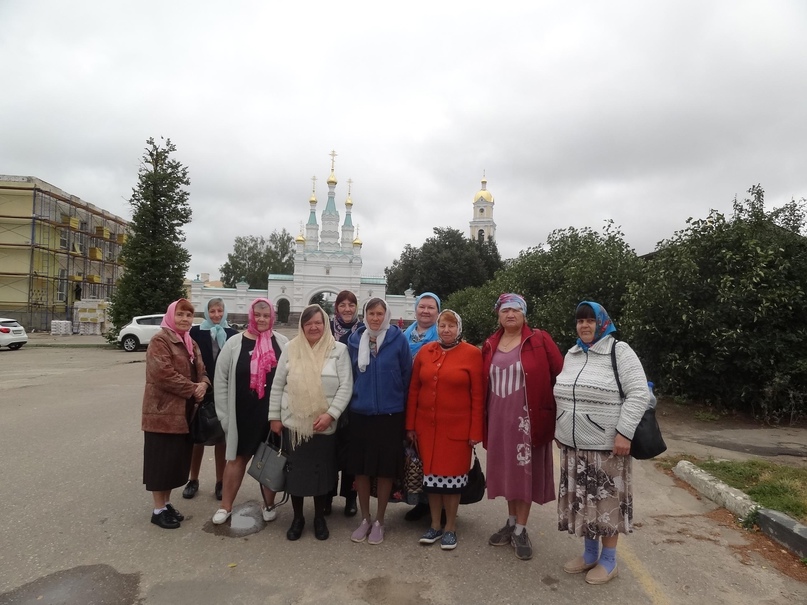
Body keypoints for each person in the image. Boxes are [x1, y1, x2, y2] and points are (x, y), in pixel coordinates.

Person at [553, 301, 648, 585]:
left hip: (606, 446)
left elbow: (639, 394)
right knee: (583, 503)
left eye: (590, 320)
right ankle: (589, 554)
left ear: (602, 323)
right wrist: (560, 430)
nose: (584, 325)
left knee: (606, 505)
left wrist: (625, 432)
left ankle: (609, 561)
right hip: (574, 446)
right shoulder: (571, 354)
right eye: (580, 320)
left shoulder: (619, 351)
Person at [482, 293, 563, 560]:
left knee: (524, 472)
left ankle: (521, 529)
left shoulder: (539, 340)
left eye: (516, 310)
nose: (510, 314)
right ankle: (510, 520)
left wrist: (557, 415)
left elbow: (560, 375)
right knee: (507, 471)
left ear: (524, 314)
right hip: (498, 419)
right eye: (505, 310)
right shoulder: (490, 344)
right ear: (498, 314)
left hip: (528, 421)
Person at [269, 304, 353, 541]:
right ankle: (298, 518)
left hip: (323, 425)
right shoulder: (290, 348)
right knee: (295, 475)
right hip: (294, 425)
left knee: (319, 475)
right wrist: (274, 416)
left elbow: (346, 386)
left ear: (325, 324)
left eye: (318, 322)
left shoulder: (339, 350)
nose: (314, 327)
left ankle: (318, 518)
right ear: (302, 326)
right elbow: (278, 384)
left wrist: (331, 414)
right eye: (309, 323)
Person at [405, 310, 484, 550]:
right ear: (437, 328)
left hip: (457, 431)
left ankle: (450, 526)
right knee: (431, 479)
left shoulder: (472, 354)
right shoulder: (425, 353)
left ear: (458, 328)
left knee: (452, 481)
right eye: (442, 325)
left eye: (451, 325)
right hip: (426, 430)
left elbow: (478, 396)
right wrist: (410, 425)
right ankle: (435, 524)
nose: (446, 330)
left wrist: (475, 432)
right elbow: (414, 390)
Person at [212, 298, 289, 525]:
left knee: (270, 461)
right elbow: (221, 380)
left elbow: (290, 378)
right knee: (236, 459)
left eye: (266, 315)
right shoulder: (234, 343)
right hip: (242, 414)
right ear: (250, 317)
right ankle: (225, 506)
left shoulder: (282, 342)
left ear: (272, 317)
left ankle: (268, 504)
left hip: (272, 415)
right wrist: (224, 416)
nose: (262, 319)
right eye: (258, 315)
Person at [347, 298, 412, 545]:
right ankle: (365, 518)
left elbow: (407, 376)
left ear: (387, 315)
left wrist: (403, 411)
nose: (375, 318)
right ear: (365, 315)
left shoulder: (398, 340)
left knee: (385, 470)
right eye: (371, 313)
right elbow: (349, 376)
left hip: (390, 415)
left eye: (380, 313)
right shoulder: (355, 341)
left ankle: (380, 520)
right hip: (360, 414)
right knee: (361, 469)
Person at [141, 298, 210, 529]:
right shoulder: (160, 340)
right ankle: (157, 509)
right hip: (162, 413)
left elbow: (203, 372)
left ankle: (167, 504)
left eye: (189, 315)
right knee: (160, 462)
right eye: (180, 314)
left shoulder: (190, 342)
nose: (185, 319)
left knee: (173, 462)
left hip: (184, 413)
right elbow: (162, 374)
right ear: (171, 315)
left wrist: (204, 385)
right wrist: (193, 389)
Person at [184, 297, 238, 501]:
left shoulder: (232, 334)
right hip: (200, 392)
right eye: (212, 311)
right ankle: (193, 479)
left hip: (224, 393)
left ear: (225, 312)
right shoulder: (195, 333)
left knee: (221, 440)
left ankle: (220, 481)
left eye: (220, 311)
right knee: (197, 439)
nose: (216, 315)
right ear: (207, 312)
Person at [402, 291, 441, 521]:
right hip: (409, 400)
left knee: (433, 454)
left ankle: (440, 503)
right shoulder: (405, 335)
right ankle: (420, 502)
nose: (425, 311)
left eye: (431, 308)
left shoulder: (443, 335)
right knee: (413, 453)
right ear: (415, 309)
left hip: (432, 403)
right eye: (422, 307)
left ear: (438, 312)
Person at [326, 290, 361, 517]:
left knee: (351, 450)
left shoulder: (364, 331)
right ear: (336, 307)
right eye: (343, 304)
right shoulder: (326, 329)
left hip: (356, 397)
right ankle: (326, 495)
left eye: (351, 304)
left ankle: (350, 497)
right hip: (328, 395)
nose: (347, 309)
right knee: (328, 449)